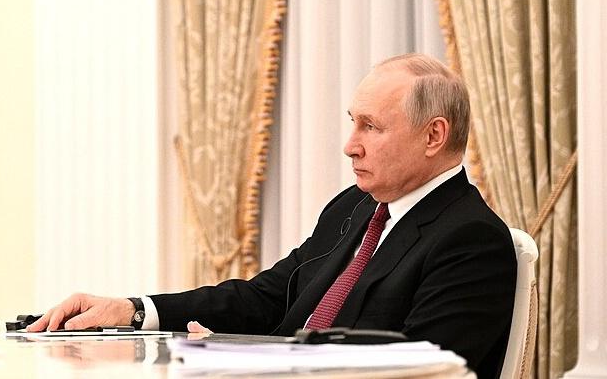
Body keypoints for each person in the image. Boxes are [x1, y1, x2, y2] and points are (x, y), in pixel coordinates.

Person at [29, 53, 517, 379]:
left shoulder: (471, 239)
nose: (350, 146)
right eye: (353, 123)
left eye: (371, 127)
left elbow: (420, 370)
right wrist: (133, 310)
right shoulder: (353, 207)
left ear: (433, 136)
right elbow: (266, 297)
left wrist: (255, 363)